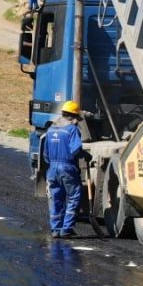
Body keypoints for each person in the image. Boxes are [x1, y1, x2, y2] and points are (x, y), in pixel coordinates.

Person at [43, 100, 88, 238]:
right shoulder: (71, 129)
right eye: (77, 118)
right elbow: (75, 150)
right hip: (67, 167)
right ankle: (67, 229)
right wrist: (85, 155)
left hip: (52, 169)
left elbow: (45, 155)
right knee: (74, 196)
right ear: (73, 116)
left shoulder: (50, 130)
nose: (77, 121)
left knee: (56, 198)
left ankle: (55, 229)